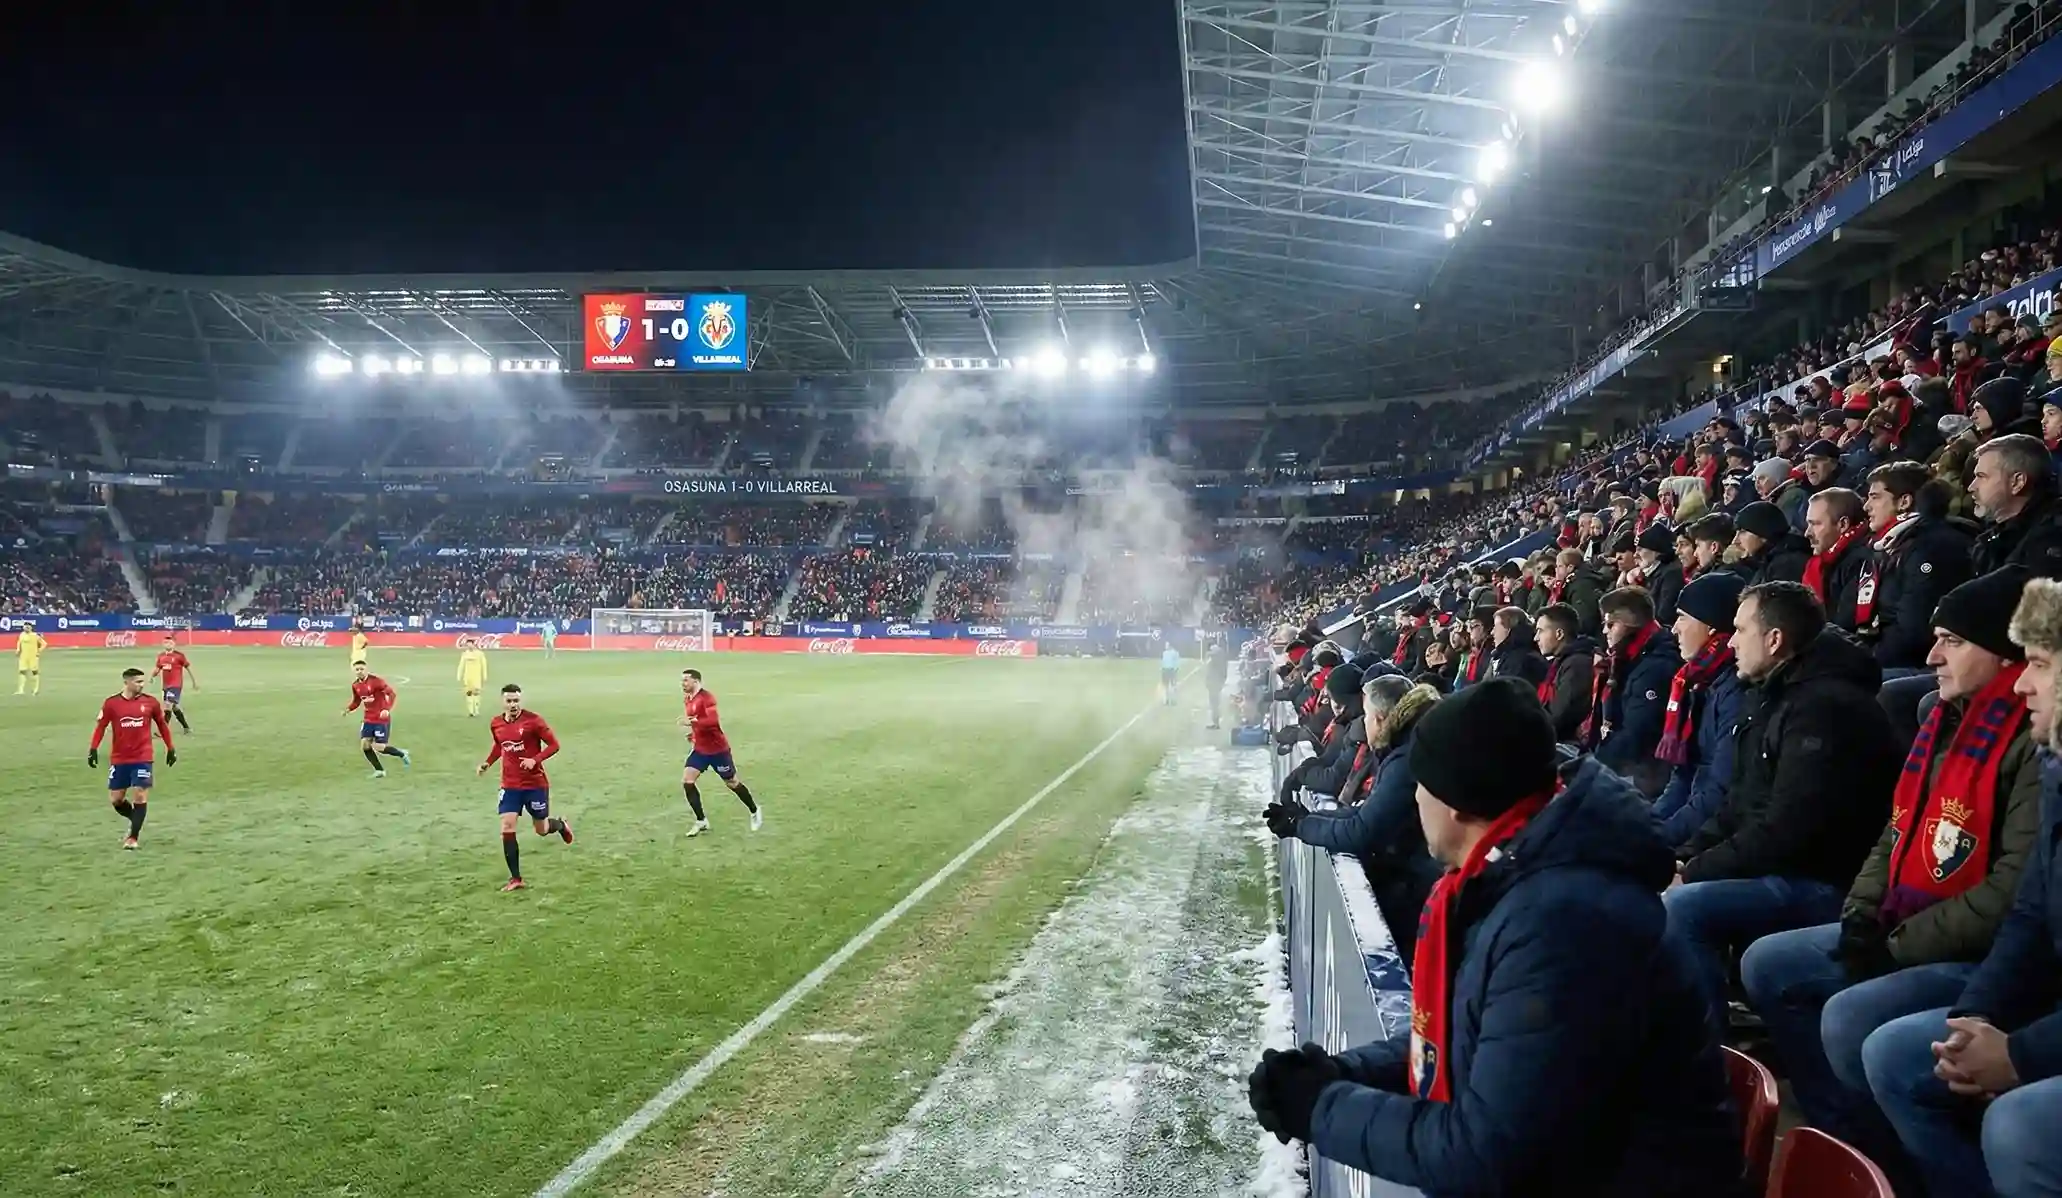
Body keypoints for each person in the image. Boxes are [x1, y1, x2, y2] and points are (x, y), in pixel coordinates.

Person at [1247, 679, 1742, 1196]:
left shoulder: (1564, 922)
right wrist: (1341, 1071)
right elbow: (1471, 1039)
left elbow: (1485, 1155)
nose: (1413, 797)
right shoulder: (1523, 876)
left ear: (1457, 804)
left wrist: (1321, 1108)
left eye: (1421, 782)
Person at [1739, 567, 2041, 1189]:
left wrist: (1896, 944)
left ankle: (1911, 1173)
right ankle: (1848, 1140)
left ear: (2005, 651)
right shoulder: (1941, 720)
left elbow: (2014, 892)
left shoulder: (2032, 739)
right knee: (1772, 964)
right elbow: (1896, 835)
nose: (1931, 655)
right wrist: (1860, 915)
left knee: (1859, 1026)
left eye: (1952, 641)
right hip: (1909, 919)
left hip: (1974, 949)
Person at [1862, 575, 2062, 1198]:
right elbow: (2031, 912)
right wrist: (1978, 1016)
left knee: (2018, 1126)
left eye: (2038, 665)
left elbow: (2006, 898)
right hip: (2037, 994)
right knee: (1896, 1052)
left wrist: (2020, 1054)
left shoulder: (2036, 756)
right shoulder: (2058, 764)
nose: (2023, 684)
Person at [1667, 581, 1903, 1036]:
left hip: (1827, 880)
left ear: (1775, 641)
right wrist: (1683, 856)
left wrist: (1694, 871)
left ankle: (1710, 1059)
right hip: (1789, 865)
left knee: (1683, 907)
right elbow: (1739, 803)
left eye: (1739, 630)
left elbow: (1789, 829)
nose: (1730, 641)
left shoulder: (1825, 707)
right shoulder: (1773, 694)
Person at [1268, 674, 1442, 954]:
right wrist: (1306, 819)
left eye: (1366, 716)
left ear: (1382, 719)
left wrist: (1300, 826)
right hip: (1417, 886)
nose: (1362, 724)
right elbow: (1362, 815)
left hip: (1416, 894)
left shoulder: (1404, 760)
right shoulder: (1402, 750)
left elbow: (1362, 831)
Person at [1651, 572, 1746, 848]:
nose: (1674, 628)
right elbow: (1682, 776)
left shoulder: (1735, 689)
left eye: (1682, 617)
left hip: (1711, 839)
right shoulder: (1697, 681)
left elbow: (1719, 790)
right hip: (1692, 825)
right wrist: (1649, 825)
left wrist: (1660, 838)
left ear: (1711, 626)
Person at [1856, 464, 1973, 672]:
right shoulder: (1892, 544)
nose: (1866, 506)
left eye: (1875, 497)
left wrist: (1864, 662)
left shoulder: (1930, 547)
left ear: (1904, 502)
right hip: (1887, 654)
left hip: (1919, 664)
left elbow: (1913, 633)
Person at [476, 683, 574, 892]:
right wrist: (487, 762)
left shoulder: (533, 721)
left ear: (521, 701)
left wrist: (535, 760)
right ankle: (516, 878)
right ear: (502, 701)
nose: (513, 704)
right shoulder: (496, 723)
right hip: (510, 784)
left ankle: (560, 825)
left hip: (534, 784)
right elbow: (499, 745)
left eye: (516, 700)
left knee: (542, 829)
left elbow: (554, 745)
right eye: (509, 701)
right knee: (507, 826)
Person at [1589, 586, 1681, 795]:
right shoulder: (1627, 658)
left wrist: (1593, 766)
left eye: (1610, 624)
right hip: (1627, 765)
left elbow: (1637, 736)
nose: (1605, 631)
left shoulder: (1655, 667)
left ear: (1632, 625)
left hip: (1646, 777)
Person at [89, 667, 176, 850]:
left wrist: (170, 748)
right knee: (116, 800)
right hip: (120, 758)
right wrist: (93, 749)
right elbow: (101, 726)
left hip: (143, 756)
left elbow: (162, 725)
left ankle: (133, 837)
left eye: (142, 681)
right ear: (127, 682)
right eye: (138, 682)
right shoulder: (112, 704)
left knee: (140, 794)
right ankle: (135, 819)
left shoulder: (150, 703)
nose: (141, 685)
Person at [679, 668, 760, 836]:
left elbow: (711, 721)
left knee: (732, 783)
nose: (683, 683)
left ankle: (754, 810)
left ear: (696, 681)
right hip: (701, 749)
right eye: (682, 680)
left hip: (718, 750)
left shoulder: (706, 698)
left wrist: (692, 722)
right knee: (688, 781)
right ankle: (701, 821)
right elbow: (699, 724)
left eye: (686, 680)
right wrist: (693, 735)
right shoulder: (688, 698)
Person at [1533, 602, 1595, 744]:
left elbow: (1560, 717)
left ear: (1559, 634)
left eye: (1540, 631)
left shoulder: (1577, 665)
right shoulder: (1562, 662)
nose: (1536, 638)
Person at [341, 661, 412, 778]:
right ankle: (379, 771)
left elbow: (392, 694)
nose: (359, 671)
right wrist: (348, 709)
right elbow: (357, 701)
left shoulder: (376, 681)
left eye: (361, 669)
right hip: (368, 719)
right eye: (357, 669)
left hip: (381, 718)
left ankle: (401, 754)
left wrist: (387, 709)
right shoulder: (355, 685)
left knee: (379, 747)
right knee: (365, 745)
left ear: (366, 669)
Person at [1486, 606, 1549, 688]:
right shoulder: (1509, 655)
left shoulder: (1521, 660)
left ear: (1509, 629)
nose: (1492, 632)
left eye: (1495, 627)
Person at [148, 634, 195, 731]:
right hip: (166, 686)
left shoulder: (179, 656)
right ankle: (186, 727)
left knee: (168, 706)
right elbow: (158, 668)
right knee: (174, 707)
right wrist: (152, 676)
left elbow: (188, 668)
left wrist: (194, 682)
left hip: (176, 685)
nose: (168, 644)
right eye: (166, 642)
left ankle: (162, 731)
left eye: (170, 643)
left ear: (174, 644)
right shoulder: (161, 656)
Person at [456, 635, 489, 717]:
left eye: (470, 644)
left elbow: (484, 665)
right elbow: (461, 665)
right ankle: (471, 711)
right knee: (469, 693)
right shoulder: (465, 654)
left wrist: (484, 675)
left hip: (477, 677)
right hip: (467, 677)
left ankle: (476, 710)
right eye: (468, 644)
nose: (469, 646)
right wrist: (459, 675)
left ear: (474, 644)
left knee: (476, 694)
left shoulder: (480, 654)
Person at [14, 624, 46, 696]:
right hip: (23, 656)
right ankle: (20, 690)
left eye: (28, 627)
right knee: (22, 672)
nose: (26, 628)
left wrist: (38, 651)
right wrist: (18, 649)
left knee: (34, 672)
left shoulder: (35, 636)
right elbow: (19, 642)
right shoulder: (21, 635)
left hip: (33, 657)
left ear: (31, 628)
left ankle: (36, 690)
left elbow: (44, 644)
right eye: (25, 627)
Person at [1159, 642, 1181, 706]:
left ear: (1170, 646)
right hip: (1165, 670)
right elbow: (1163, 662)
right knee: (1166, 686)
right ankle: (1166, 700)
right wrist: (1162, 668)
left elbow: (1177, 661)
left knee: (1173, 686)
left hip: (1171, 670)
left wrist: (1176, 669)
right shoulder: (1164, 653)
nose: (1165, 646)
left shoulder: (1175, 653)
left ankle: (1173, 700)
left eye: (1167, 645)